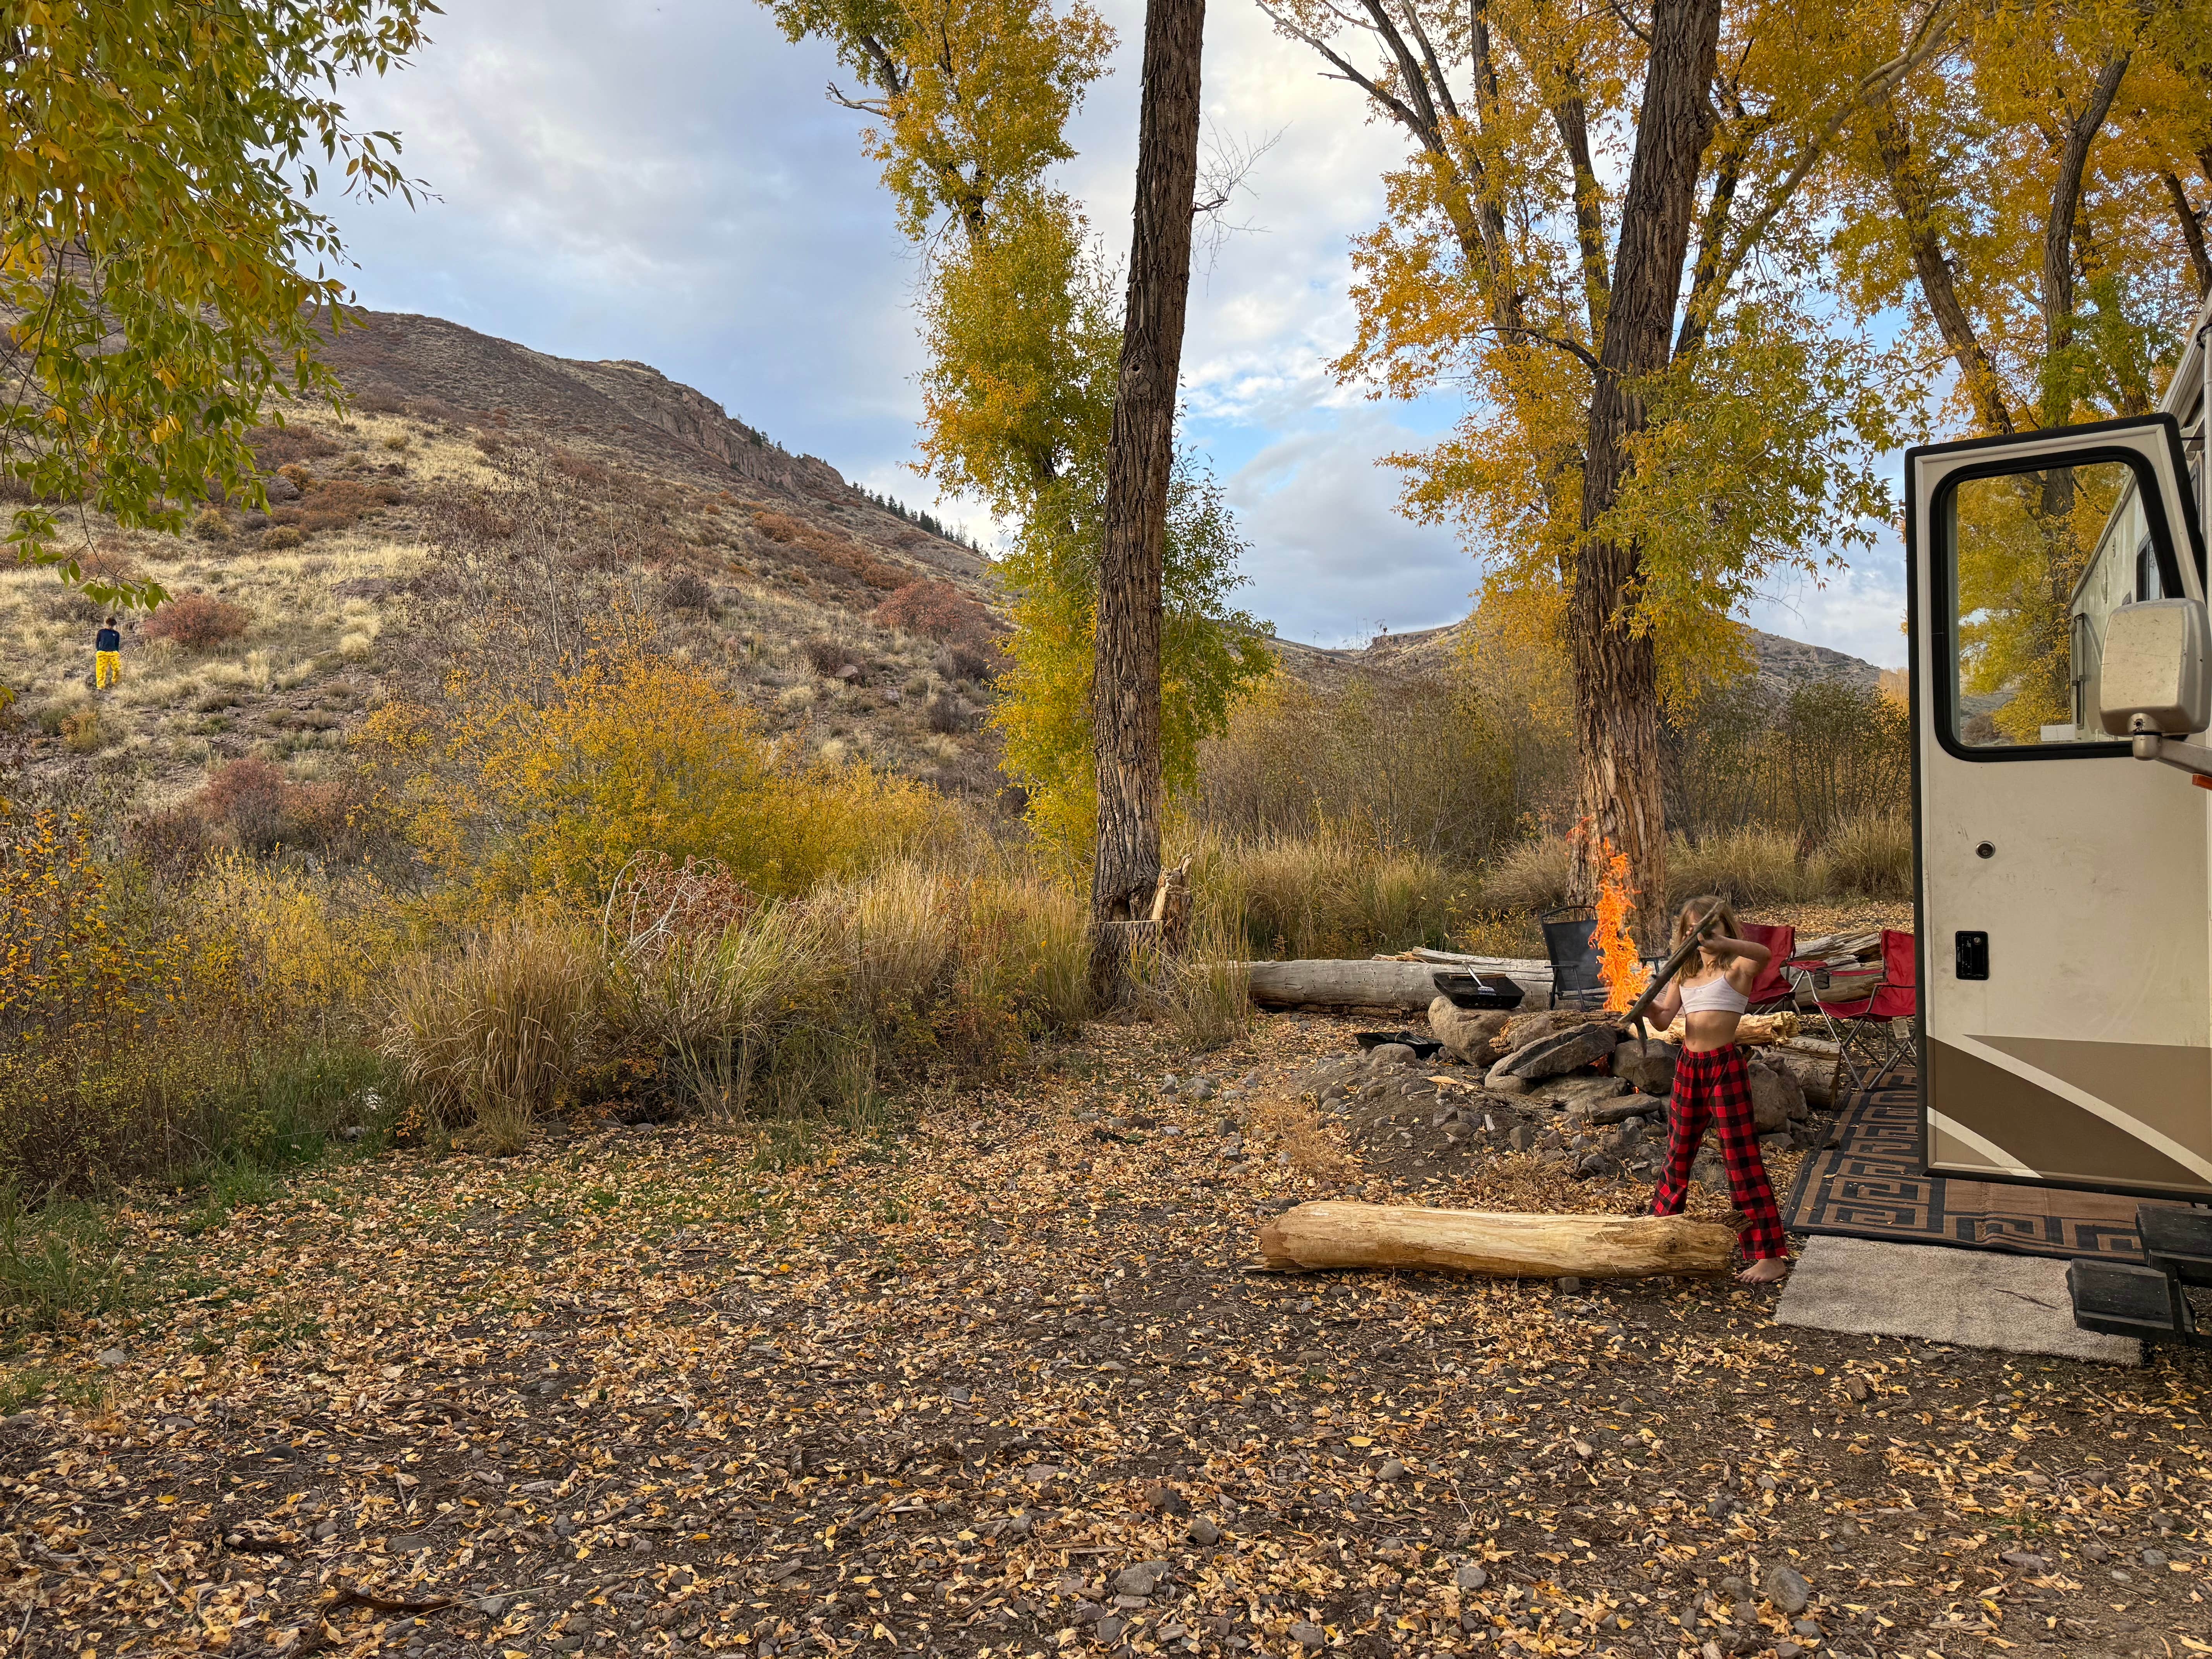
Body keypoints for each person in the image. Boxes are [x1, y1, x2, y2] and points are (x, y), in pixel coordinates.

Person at [1644, 894, 1790, 1285]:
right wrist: (1644, 1008)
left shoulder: (1738, 967)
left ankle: (1769, 1255)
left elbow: (1763, 952)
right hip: (1690, 1067)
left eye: (1709, 927)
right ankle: (1661, 1234)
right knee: (1678, 1152)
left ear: (1725, 928)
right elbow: (1662, 1022)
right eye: (1692, 928)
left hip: (1725, 1065)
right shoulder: (1684, 972)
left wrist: (1725, 946)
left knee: (1741, 1159)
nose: (1700, 935)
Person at [94, 615, 122, 691]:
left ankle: (115, 682)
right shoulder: (101, 632)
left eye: (112, 625)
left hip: (113, 653)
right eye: (110, 625)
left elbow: (117, 644)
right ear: (107, 624)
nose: (111, 627)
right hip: (103, 653)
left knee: (118, 669)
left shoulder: (116, 634)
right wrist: (98, 650)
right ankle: (100, 686)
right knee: (101, 670)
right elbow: (97, 641)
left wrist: (117, 652)